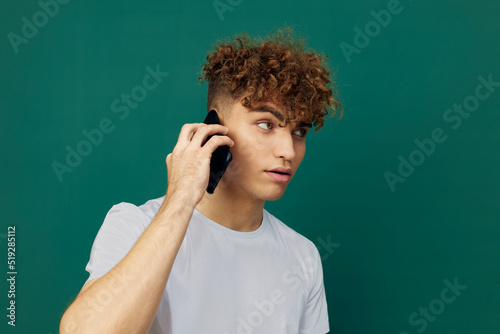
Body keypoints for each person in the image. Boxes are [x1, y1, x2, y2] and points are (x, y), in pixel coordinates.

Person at [60, 26, 343, 334]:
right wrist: (181, 196)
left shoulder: (303, 256)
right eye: (266, 124)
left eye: (299, 132)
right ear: (215, 127)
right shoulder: (133, 225)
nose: (288, 150)